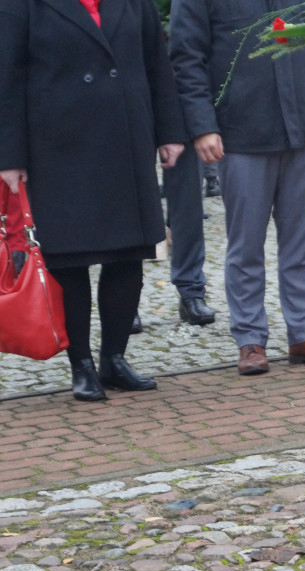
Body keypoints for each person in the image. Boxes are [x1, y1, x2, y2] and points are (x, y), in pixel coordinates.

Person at [0, 0, 185, 402]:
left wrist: (170, 130)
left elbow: (157, 64)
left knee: (128, 255)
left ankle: (114, 358)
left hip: (126, 139)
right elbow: (6, 77)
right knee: (70, 258)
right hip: (56, 146)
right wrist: (9, 156)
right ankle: (81, 364)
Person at [169, 0, 305, 375]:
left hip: (303, 130)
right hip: (240, 134)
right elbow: (187, 58)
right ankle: (250, 338)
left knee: (301, 242)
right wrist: (202, 125)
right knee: (245, 244)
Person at [163, 141, 216, 326]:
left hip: (181, 117)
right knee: (131, 196)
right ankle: (126, 297)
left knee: (188, 204)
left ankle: (191, 292)